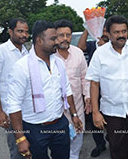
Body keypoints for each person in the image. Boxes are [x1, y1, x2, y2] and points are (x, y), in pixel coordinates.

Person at [7, 20, 83, 159]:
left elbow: (67, 90)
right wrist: (20, 138)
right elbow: (13, 104)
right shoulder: (22, 67)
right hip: (34, 128)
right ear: (39, 40)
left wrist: (74, 115)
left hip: (60, 123)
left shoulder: (58, 62)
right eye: (53, 38)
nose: (57, 41)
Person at [86, 15, 128, 159]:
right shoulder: (100, 54)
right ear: (108, 34)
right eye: (116, 32)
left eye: (124, 31)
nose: (121, 35)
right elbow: (94, 83)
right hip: (112, 112)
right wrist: (96, 112)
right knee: (116, 149)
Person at [0, 18, 29, 159]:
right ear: (10, 31)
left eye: (26, 32)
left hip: (27, 110)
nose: (24, 35)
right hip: (10, 111)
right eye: (20, 31)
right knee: (17, 150)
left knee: (30, 147)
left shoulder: (26, 52)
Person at [54, 19, 91, 159]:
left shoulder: (78, 53)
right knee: (60, 146)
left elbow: (85, 78)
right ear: (54, 36)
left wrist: (87, 97)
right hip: (56, 110)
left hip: (77, 106)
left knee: (76, 143)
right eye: (61, 35)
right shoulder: (49, 56)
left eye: (68, 35)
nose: (65, 39)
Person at [77, 25, 108, 157]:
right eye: (103, 30)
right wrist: (87, 28)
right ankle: (100, 144)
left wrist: (106, 46)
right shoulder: (92, 45)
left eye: (107, 30)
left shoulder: (115, 46)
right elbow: (80, 47)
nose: (104, 33)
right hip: (94, 89)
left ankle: (112, 140)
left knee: (111, 119)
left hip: (111, 89)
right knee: (94, 118)